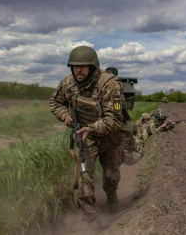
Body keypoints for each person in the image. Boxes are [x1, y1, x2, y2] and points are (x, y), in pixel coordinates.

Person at [49, 46, 130, 220]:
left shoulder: (110, 84)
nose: (78, 69)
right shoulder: (68, 83)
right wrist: (64, 116)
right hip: (85, 137)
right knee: (83, 173)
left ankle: (111, 196)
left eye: (83, 66)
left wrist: (91, 127)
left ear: (92, 67)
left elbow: (115, 120)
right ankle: (89, 218)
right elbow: (55, 102)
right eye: (75, 66)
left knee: (111, 177)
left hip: (110, 136)